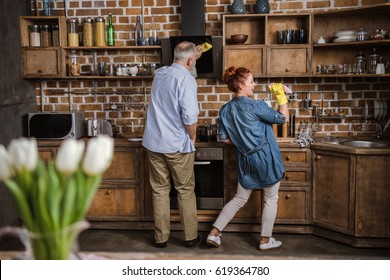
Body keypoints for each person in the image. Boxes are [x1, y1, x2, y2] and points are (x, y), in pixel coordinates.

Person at [206, 66, 289, 251]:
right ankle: (265, 241)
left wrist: (242, 143)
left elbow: (224, 138)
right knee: (271, 199)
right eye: (252, 81)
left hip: (245, 159)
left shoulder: (225, 110)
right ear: (242, 84)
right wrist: (281, 95)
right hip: (266, 159)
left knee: (239, 198)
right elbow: (283, 118)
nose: (255, 84)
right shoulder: (256, 105)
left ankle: (214, 233)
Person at [142, 41, 203, 248]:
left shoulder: (160, 74)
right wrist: (192, 138)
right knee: (185, 190)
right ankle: (190, 237)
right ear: (190, 60)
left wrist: (193, 59)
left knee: (159, 190)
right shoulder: (187, 80)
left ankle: (160, 239)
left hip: (154, 143)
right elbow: (190, 117)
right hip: (177, 145)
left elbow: (179, 71)